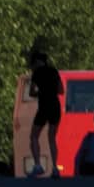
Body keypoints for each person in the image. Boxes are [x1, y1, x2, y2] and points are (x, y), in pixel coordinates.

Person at [29, 48, 65, 177]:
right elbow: (61, 90)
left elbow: (31, 92)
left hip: (44, 107)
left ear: (37, 62)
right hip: (55, 106)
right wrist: (51, 90)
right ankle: (55, 168)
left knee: (34, 136)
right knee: (52, 138)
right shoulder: (54, 71)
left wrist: (42, 92)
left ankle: (38, 165)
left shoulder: (37, 73)